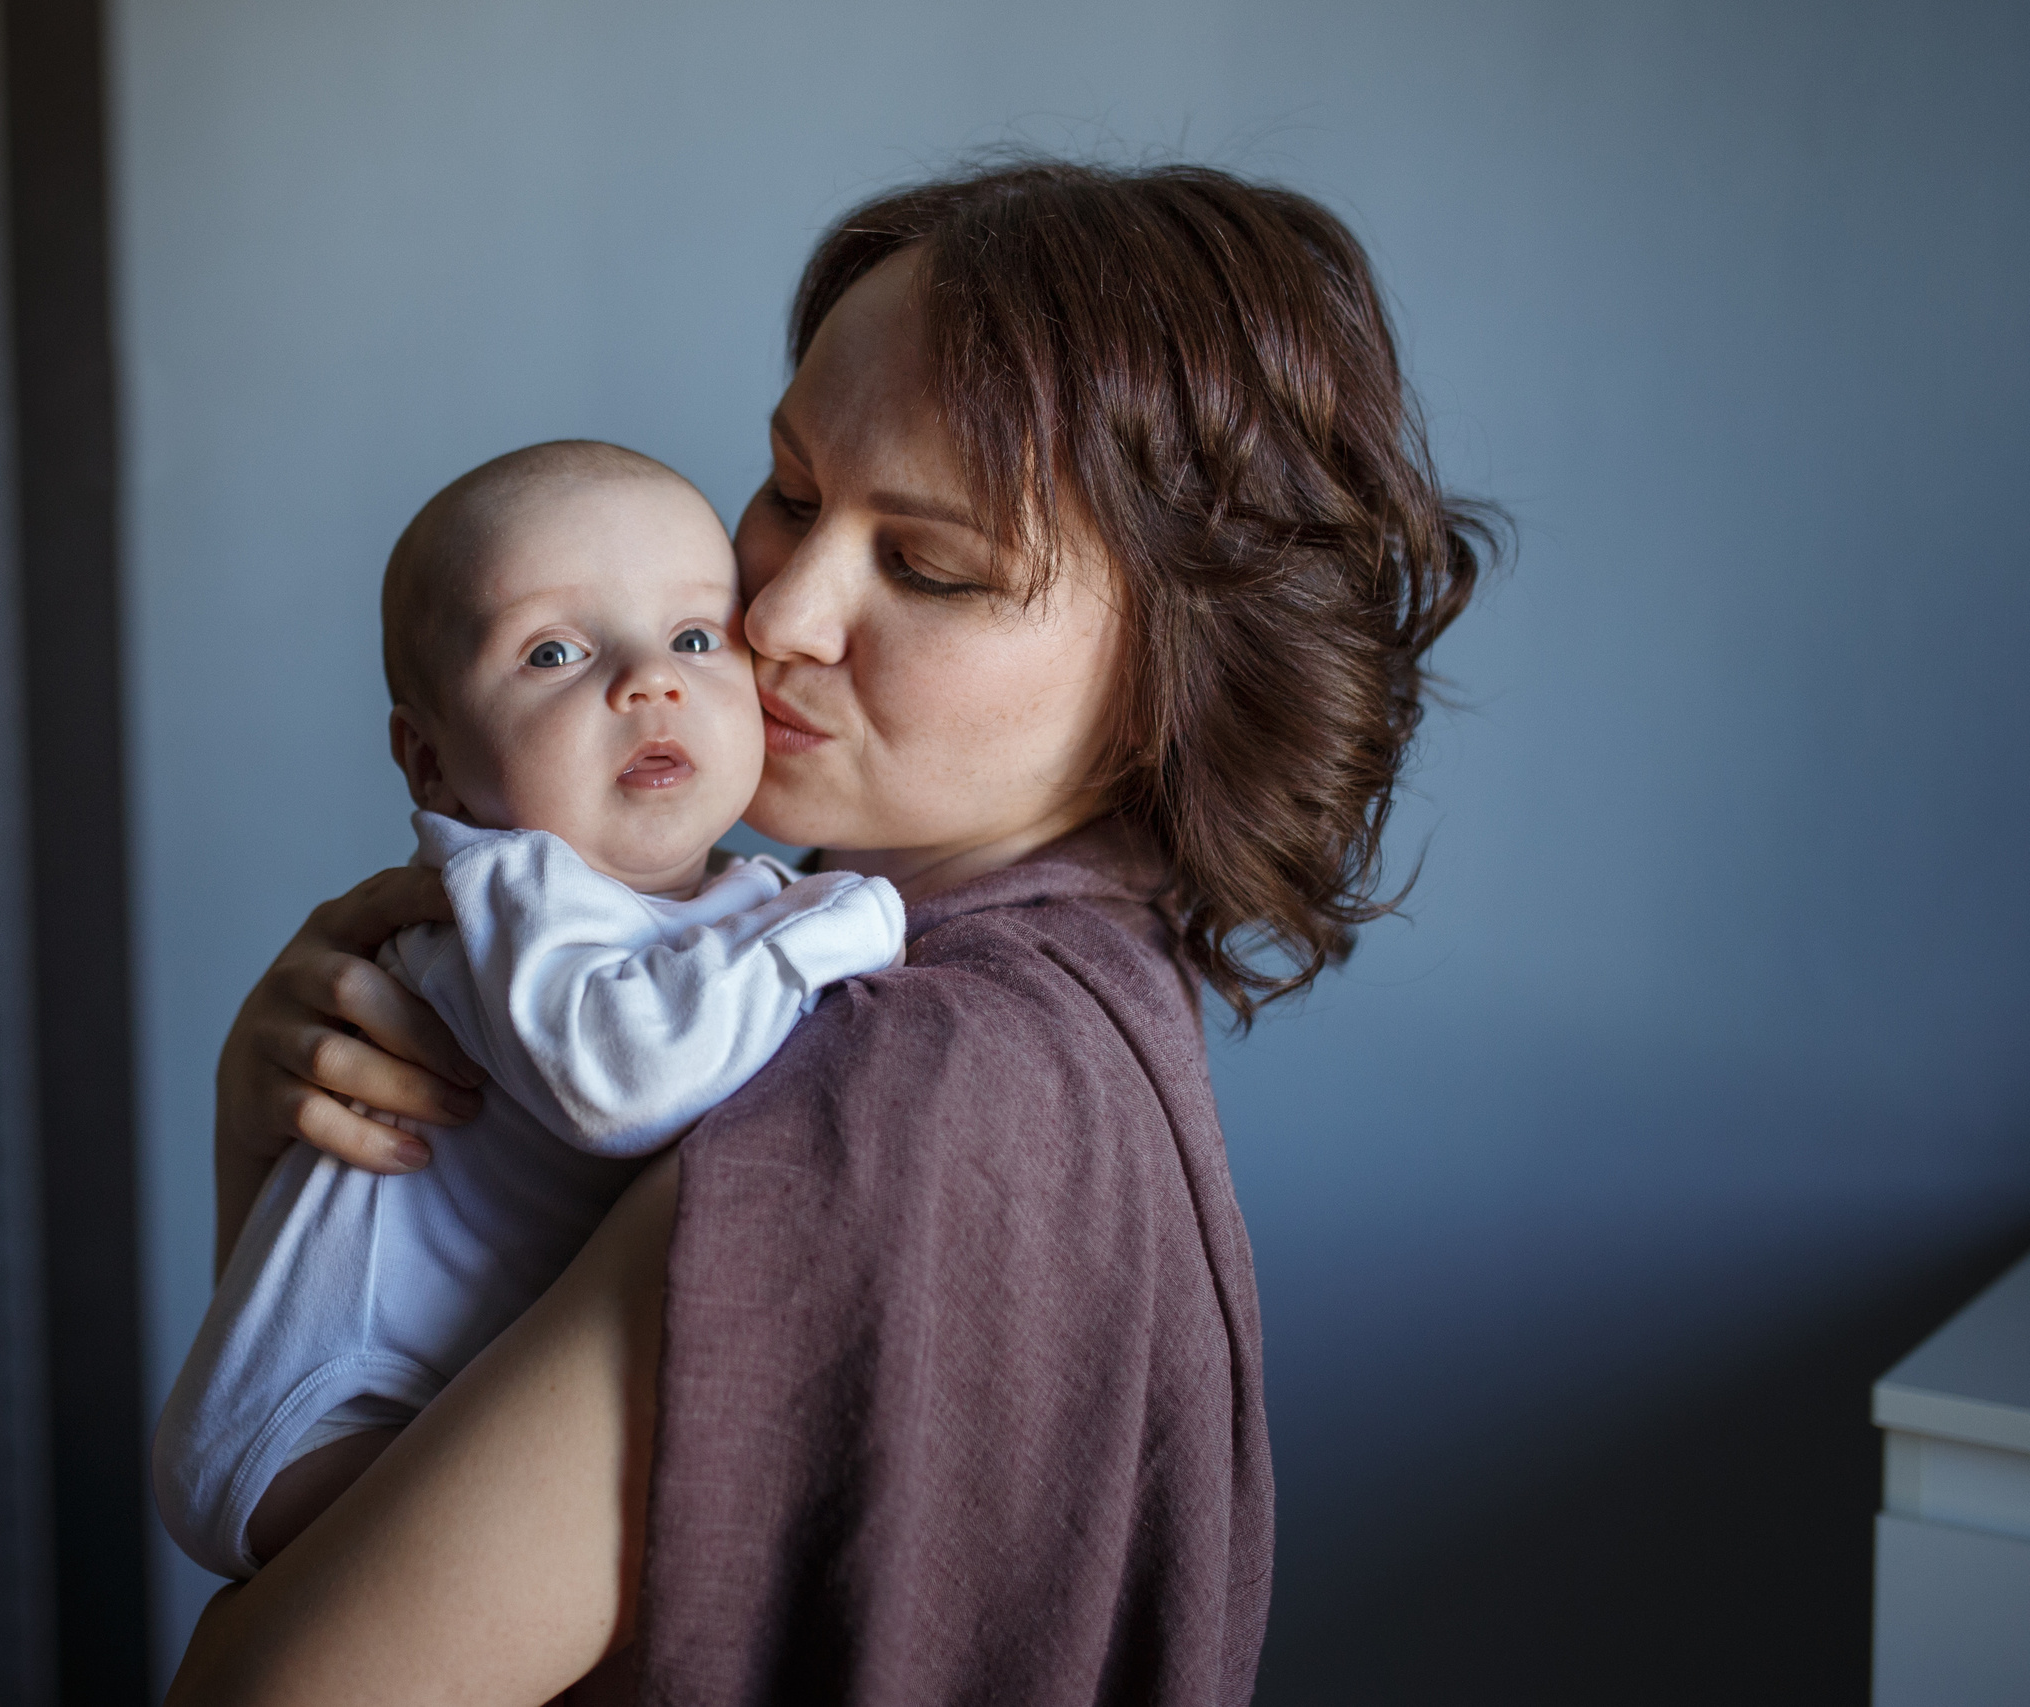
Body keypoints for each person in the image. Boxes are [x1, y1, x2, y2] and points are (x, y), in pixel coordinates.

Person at [168, 159, 1493, 1707]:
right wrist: (282, 1177)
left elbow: (267, 1676)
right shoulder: (996, 988)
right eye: (791, 488)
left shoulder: (914, 1075)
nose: (776, 610)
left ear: (1176, 665)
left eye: (927, 562)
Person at [152, 441, 905, 1580]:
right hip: (323, 1417)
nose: (648, 681)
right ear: (433, 765)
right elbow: (624, 1088)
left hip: (423, 1383)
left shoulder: (729, 898)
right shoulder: (513, 892)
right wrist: (846, 925)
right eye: (554, 651)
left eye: (696, 638)